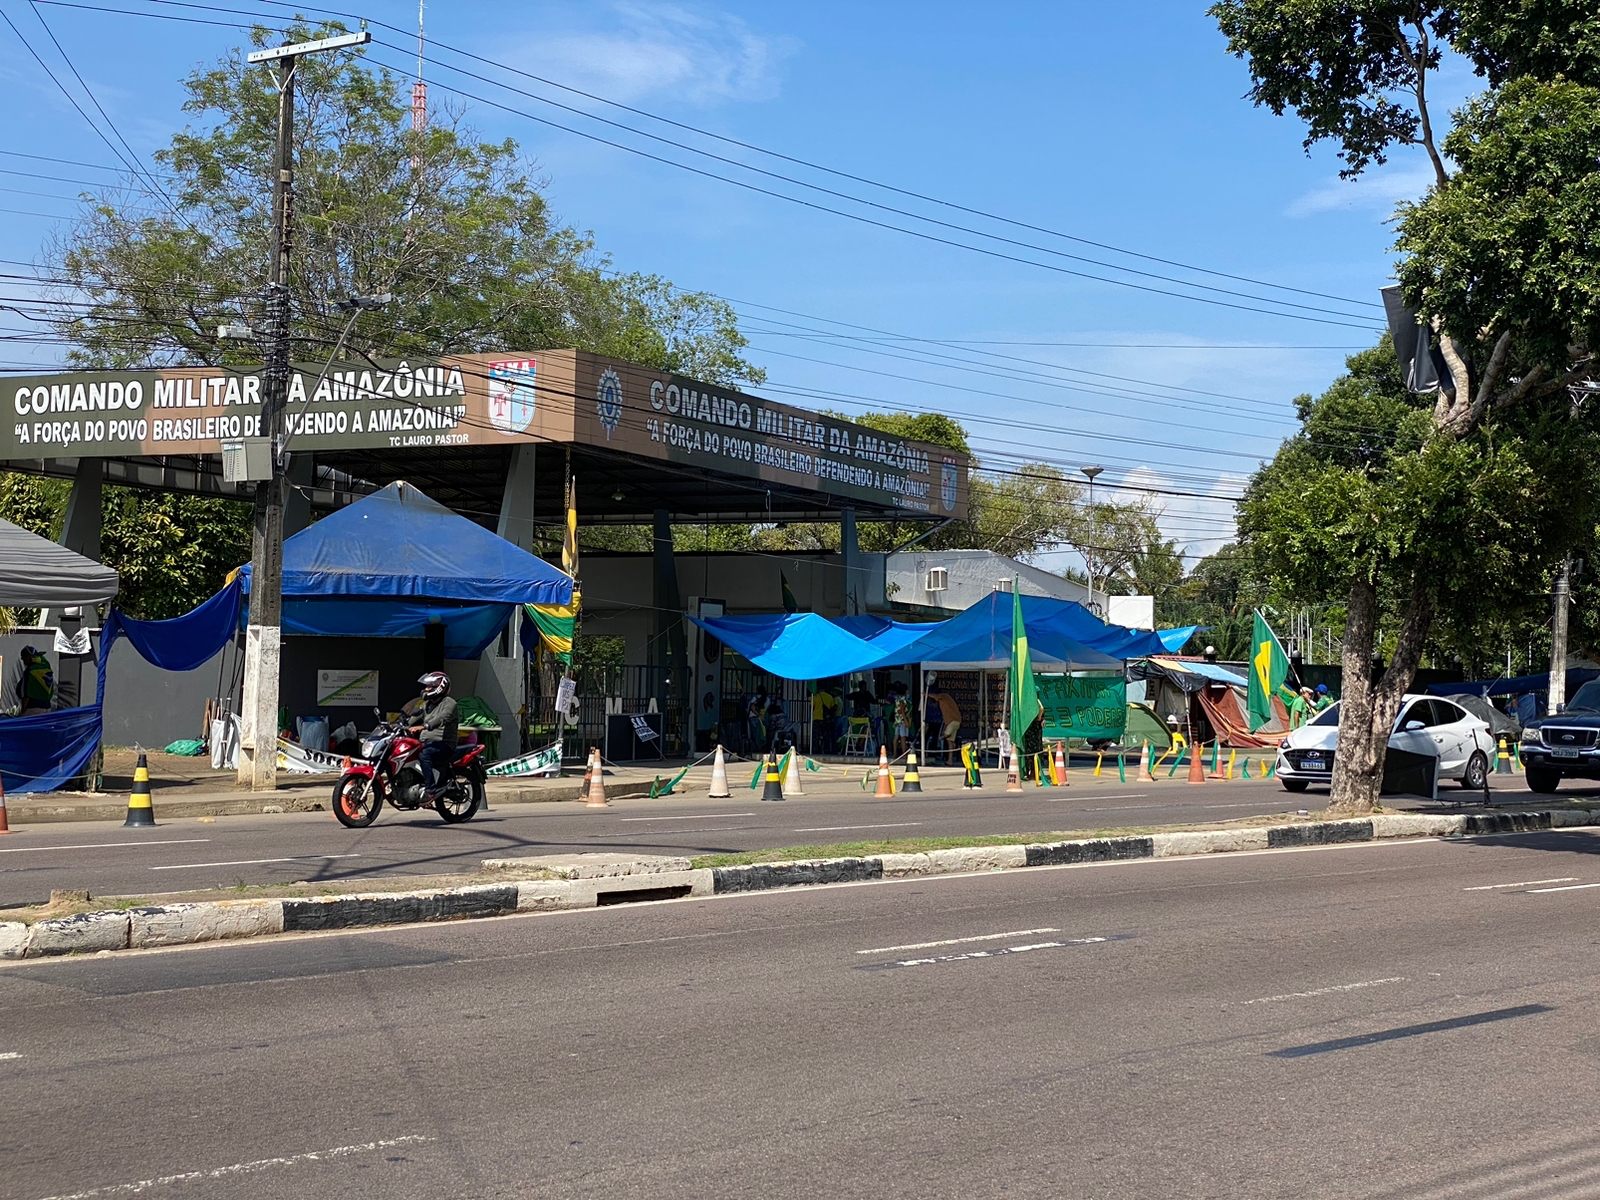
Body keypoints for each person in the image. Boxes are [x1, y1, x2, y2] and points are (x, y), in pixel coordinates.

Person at [409, 670, 459, 800]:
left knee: (424, 754)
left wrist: (425, 726)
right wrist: (396, 724)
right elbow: (413, 718)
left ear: (440, 687)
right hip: (427, 742)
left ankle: (430, 790)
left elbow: (442, 718)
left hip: (445, 743)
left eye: (429, 687)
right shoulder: (427, 705)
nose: (426, 689)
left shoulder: (450, 703)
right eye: (426, 686)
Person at [927, 685, 963, 764]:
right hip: (951, 722)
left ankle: (941, 740)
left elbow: (936, 696)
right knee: (949, 741)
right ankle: (950, 760)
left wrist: (925, 694)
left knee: (944, 736)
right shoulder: (942, 703)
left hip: (954, 721)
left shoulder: (944, 696)